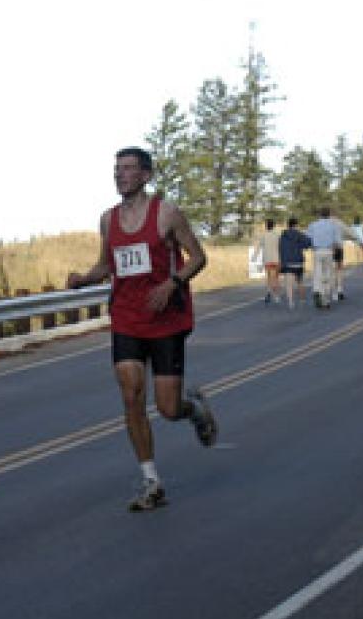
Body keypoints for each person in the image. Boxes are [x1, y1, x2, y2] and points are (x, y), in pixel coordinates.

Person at [66, 147, 218, 512]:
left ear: (146, 175)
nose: (120, 175)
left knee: (167, 408)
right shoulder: (108, 220)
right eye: (117, 169)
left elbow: (198, 257)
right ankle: (151, 480)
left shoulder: (166, 214)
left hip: (165, 320)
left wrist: (172, 283)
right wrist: (84, 279)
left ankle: (194, 410)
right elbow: (107, 265)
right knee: (131, 395)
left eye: (128, 168)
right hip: (127, 318)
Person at [306, 207, 344, 308]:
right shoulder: (333, 226)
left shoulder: (313, 225)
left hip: (317, 251)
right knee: (328, 274)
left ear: (320, 214)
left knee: (317, 273)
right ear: (329, 214)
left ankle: (317, 290)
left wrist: (312, 246)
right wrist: (336, 248)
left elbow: (307, 238)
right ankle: (325, 298)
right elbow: (338, 241)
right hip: (328, 251)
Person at [278, 217, 311, 309]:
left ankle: (291, 302)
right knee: (300, 281)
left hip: (287, 262)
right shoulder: (300, 234)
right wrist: (300, 246)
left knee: (289, 283)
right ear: (296, 225)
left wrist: (282, 261)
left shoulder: (283, 236)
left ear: (288, 225)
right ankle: (302, 299)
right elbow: (308, 243)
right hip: (298, 261)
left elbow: (280, 249)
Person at [250, 218, 283, 304]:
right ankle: (276, 296)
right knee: (276, 278)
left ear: (266, 226)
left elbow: (258, 247)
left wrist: (254, 257)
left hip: (267, 259)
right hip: (276, 259)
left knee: (269, 277)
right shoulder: (278, 236)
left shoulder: (263, 235)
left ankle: (268, 291)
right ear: (274, 226)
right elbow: (281, 248)